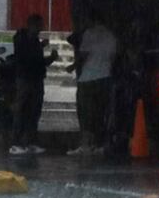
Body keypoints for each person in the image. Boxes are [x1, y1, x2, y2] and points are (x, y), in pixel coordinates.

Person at [68, 11, 117, 156]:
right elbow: (113, 58)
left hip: (88, 78)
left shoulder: (89, 33)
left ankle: (86, 145)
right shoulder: (111, 36)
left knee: (86, 114)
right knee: (101, 113)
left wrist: (73, 66)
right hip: (105, 77)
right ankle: (99, 144)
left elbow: (83, 55)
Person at [9, 14, 58, 155]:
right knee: (22, 109)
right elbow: (30, 59)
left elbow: (35, 59)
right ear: (32, 25)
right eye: (39, 25)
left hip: (36, 79)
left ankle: (30, 141)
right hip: (25, 78)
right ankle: (16, 142)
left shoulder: (34, 41)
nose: (41, 28)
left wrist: (42, 49)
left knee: (34, 111)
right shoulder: (22, 38)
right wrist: (48, 58)